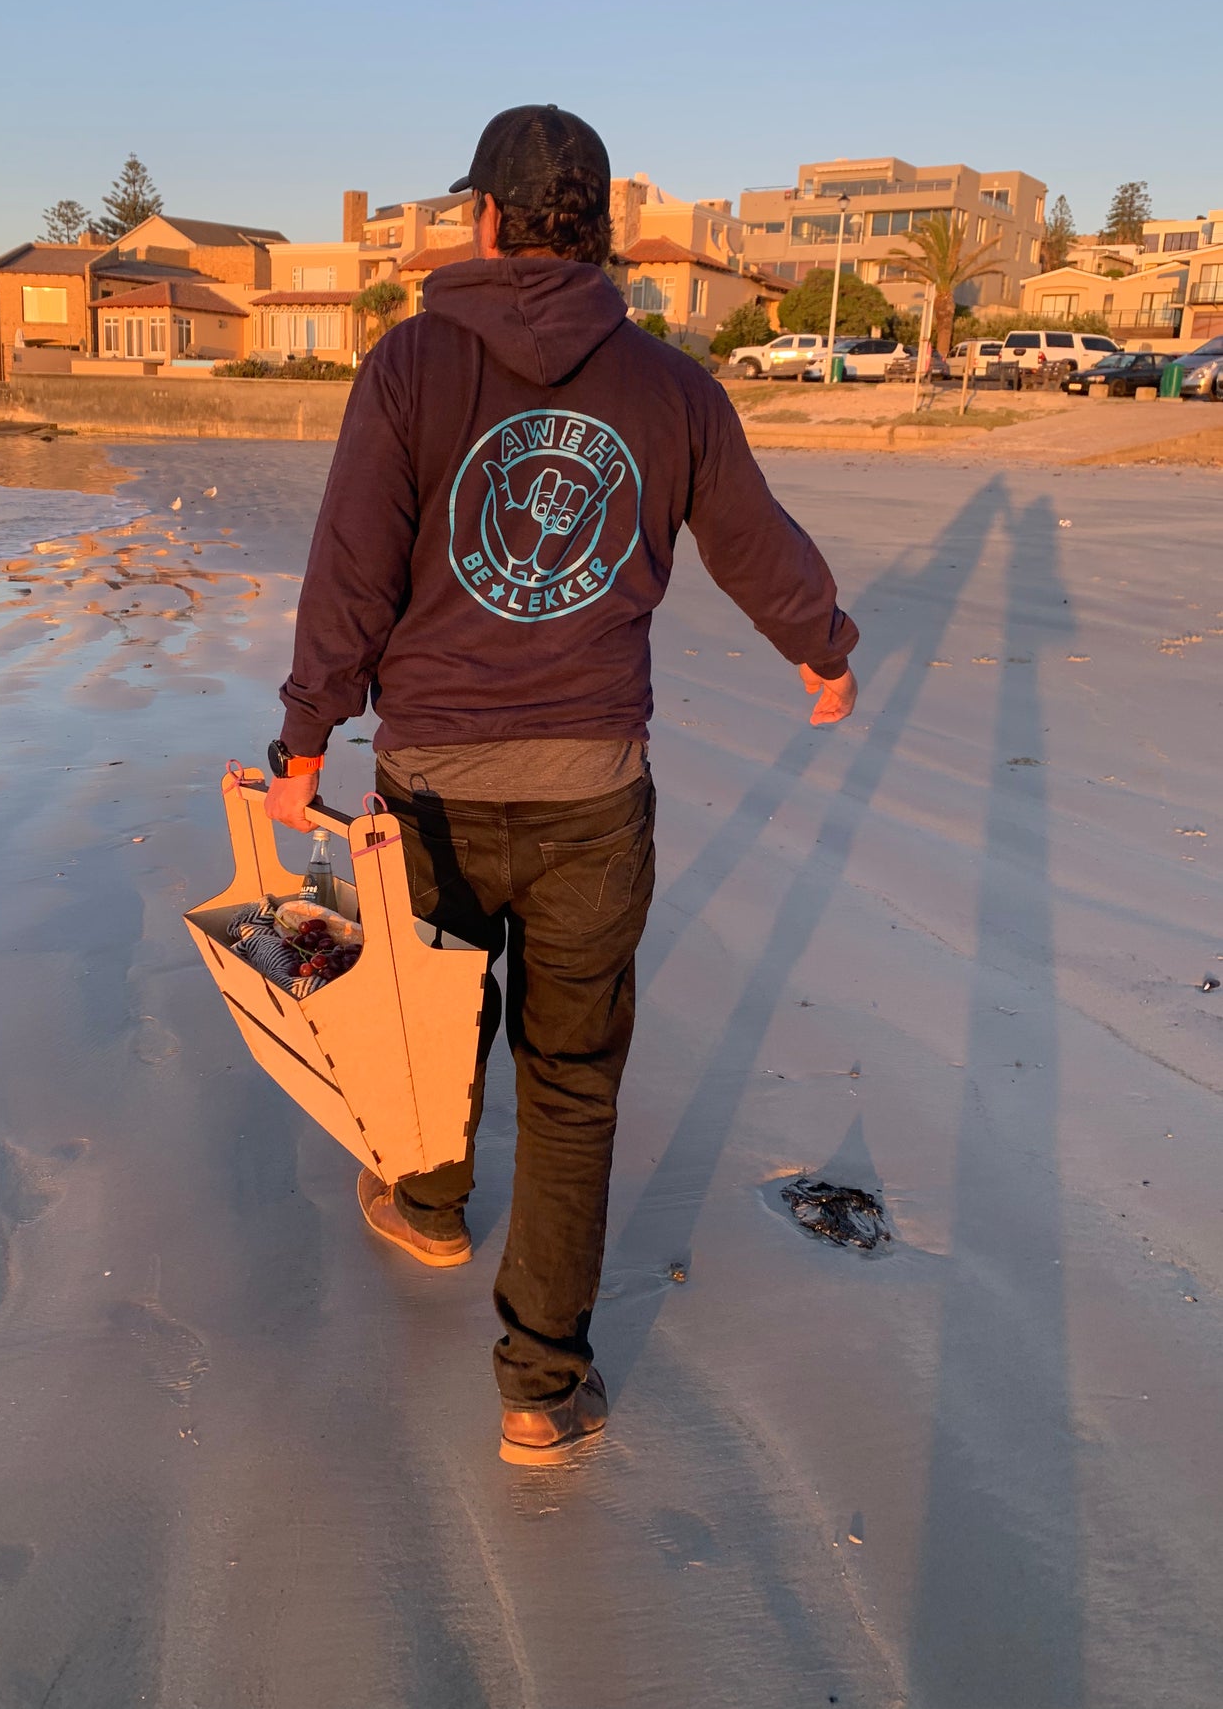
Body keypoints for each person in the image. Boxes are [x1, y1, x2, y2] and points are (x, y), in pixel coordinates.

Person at [266, 105, 858, 1464]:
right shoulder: (671, 386)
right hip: (595, 785)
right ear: (593, 232)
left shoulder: (409, 364)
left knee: (434, 1015)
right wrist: (821, 654)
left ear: (483, 218)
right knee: (572, 1078)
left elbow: (351, 570)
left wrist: (306, 744)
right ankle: (541, 1382)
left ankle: (423, 1202)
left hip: (428, 781)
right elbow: (753, 544)